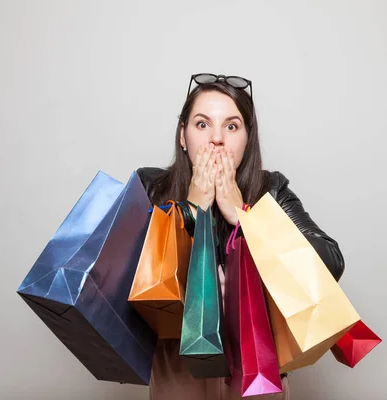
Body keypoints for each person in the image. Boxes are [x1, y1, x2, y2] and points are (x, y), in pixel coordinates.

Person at [136, 73, 345, 400]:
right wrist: (189, 211)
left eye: (231, 126)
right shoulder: (151, 187)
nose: (216, 139)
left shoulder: (271, 190)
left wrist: (246, 216)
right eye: (202, 125)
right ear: (182, 135)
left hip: (256, 381)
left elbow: (329, 263)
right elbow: (123, 278)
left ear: (248, 140)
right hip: (177, 379)